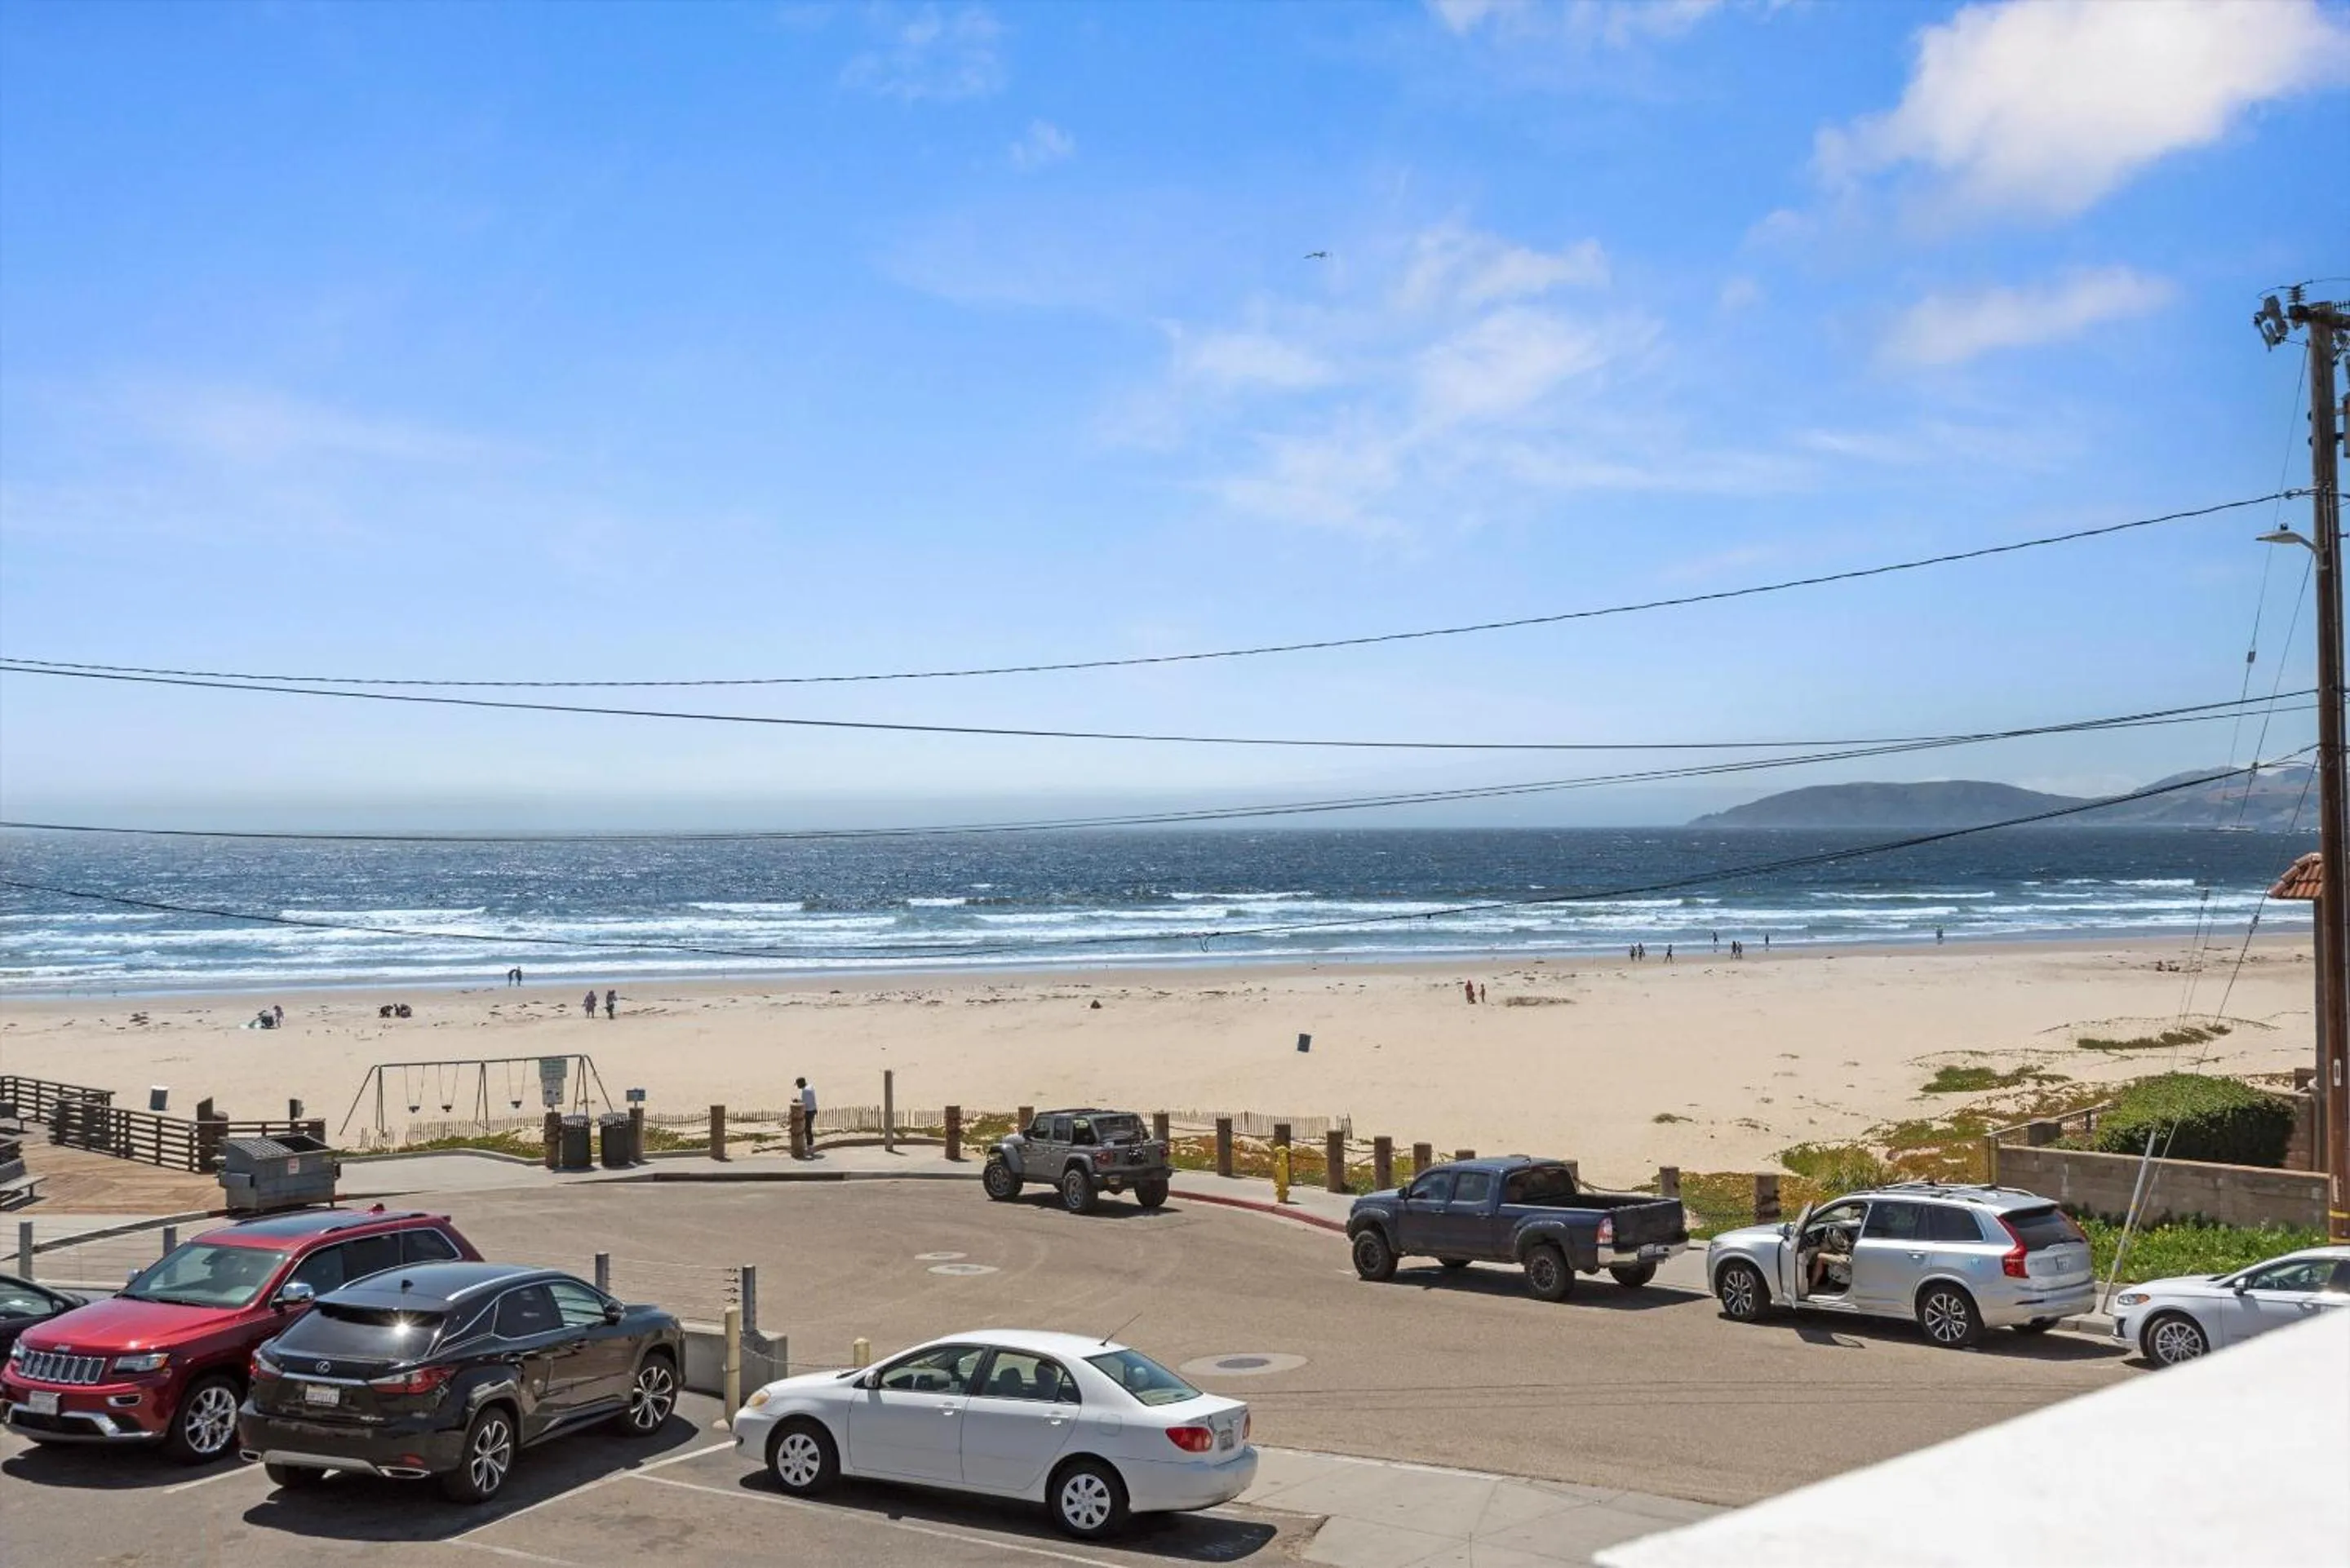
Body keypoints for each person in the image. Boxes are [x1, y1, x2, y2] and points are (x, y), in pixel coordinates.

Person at [796, 1077, 818, 1158]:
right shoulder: (810, 1086)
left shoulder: (805, 1091)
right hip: (813, 1109)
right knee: (808, 1129)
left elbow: (804, 1104)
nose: (797, 1086)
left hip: (809, 1111)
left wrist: (797, 1101)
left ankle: (810, 1149)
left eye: (798, 1084)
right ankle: (809, 1146)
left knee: (807, 1130)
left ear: (801, 1083)